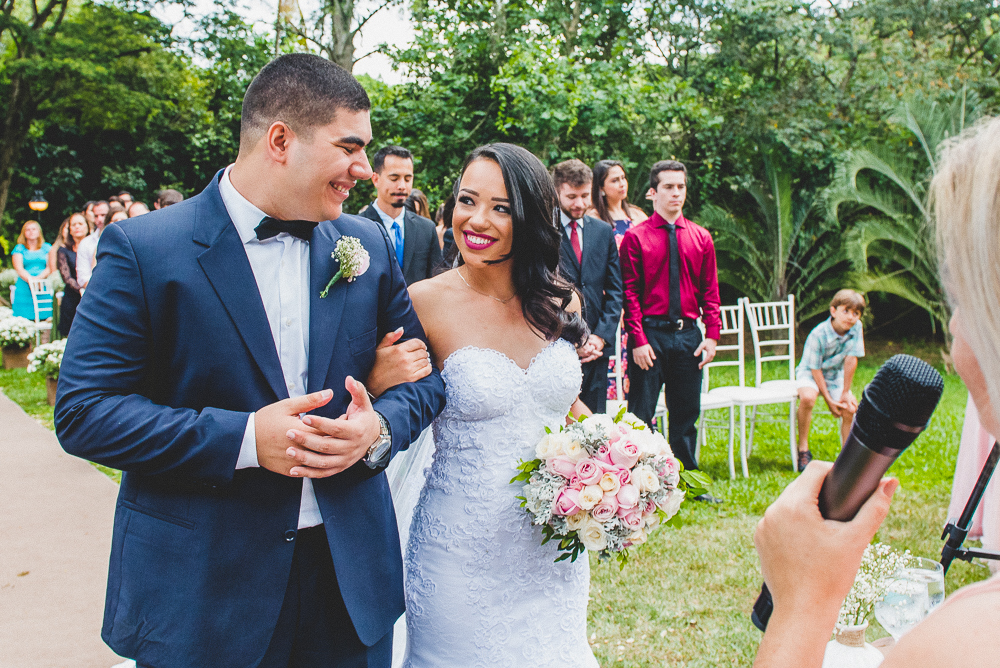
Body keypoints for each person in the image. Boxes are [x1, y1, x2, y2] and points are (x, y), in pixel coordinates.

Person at [55, 53, 446, 668]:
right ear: (281, 140)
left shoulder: (364, 245)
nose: (365, 170)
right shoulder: (145, 249)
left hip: (347, 582)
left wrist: (379, 428)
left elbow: (426, 383)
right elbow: (84, 411)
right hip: (204, 588)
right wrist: (243, 437)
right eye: (350, 147)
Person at [753, 116, 1000, 668]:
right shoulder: (821, 334)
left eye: (962, 299)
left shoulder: (968, 642)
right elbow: (816, 370)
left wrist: (800, 604)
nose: (956, 331)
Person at [391, 143, 596, 667]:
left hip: (554, 546)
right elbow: (391, 403)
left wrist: (621, 457)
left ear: (529, 216)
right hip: (461, 552)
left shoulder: (560, 298)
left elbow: (560, 402)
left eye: (501, 207)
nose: (477, 220)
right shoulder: (423, 301)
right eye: (466, 200)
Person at [619, 160, 720, 486]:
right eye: (668, 187)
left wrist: (713, 336)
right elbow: (629, 293)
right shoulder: (636, 238)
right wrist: (638, 339)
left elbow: (710, 291)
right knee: (640, 413)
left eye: (681, 187)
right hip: (651, 336)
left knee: (686, 413)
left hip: (689, 336)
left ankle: (690, 479)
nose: (676, 193)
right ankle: (639, 481)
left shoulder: (701, 238)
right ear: (653, 192)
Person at [552, 159, 623, 415]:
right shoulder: (546, 232)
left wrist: (600, 338)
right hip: (558, 344)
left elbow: (616, 291)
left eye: (584, 196)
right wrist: (573, 340)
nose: (579, 204)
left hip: (596, 348)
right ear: (557, 192)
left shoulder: (604, 232)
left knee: (595, 424)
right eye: (571, 196)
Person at [794, 289, 866, 471]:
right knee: (808, 398)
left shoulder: (857, 328)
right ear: (833, 311)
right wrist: (829, 401)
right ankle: (803, 449)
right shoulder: (818, 334)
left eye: (855, 313)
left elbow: (851, 360)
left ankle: (846, 456)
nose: (850, 317)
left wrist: (845, 393)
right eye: (846, 311)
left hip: (835, 375)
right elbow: (815, 368)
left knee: (850, 408)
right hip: (810, 373)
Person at [359, 146, 442, 284]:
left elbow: (436, 280)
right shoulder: (357, 227)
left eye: (408, 179)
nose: (402, 186)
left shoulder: (427, 229)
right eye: (394, 178)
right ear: (375, 179)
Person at [588, 159, 648, 246]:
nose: (622, 184)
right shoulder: (593, 218)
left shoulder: (637, 214)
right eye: (615, 180)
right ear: (601, 187)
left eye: (623, 178)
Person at [56, 212, 92, 336]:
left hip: (92, 295)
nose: (77, 227)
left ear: (87, 227)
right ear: (69, 230)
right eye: (73, 225)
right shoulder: (64, 250)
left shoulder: (94, 246)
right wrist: (81, 289)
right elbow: (66, 276)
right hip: (72, 297)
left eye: (80, 224)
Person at [11, 220, 54, 321]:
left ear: (39, 232)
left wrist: (38, 279)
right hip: (24, 286)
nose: (31, 232)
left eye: (34, 229)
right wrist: (31, 280)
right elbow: (19, 268)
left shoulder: (47, 247)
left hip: (43, 285)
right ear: (24, 233)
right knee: (24, 318)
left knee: (45, 317)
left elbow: (50, 267)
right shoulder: (19, 248)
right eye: (28, 230)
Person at [75, 200, 113, 289]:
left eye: (103, 215)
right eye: (96, 216)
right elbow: (82, 278)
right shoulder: (86, 243)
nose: (99, 219)